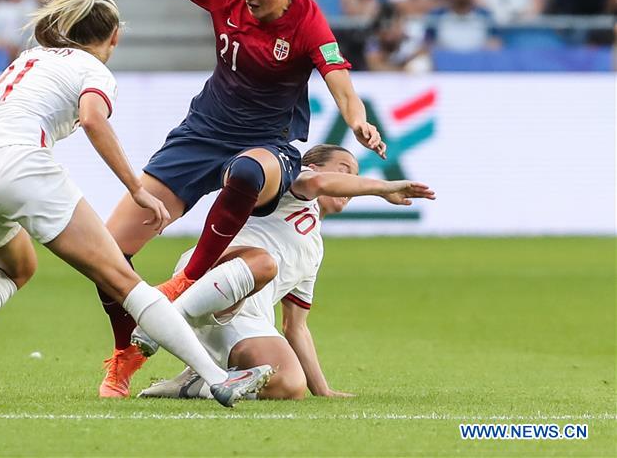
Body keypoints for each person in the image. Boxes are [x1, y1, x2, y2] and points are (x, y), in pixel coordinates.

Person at [63, 0, 386, 398]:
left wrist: (359, 120)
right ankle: (124, 358)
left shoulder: (308, 22)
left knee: (246, 173)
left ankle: (187, 281)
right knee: (110, 252)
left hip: (268, 143)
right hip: (202, 132)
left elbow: (340, 82)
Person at [0, 0, 274, 408]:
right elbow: (92, 119)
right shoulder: (94, 69)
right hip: (18, 165)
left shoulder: (28, 58)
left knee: (17, 268)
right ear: (114, 36)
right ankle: (217, 379)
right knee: (122, 280)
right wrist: (137, 188)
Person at [135, 144, 435, 400]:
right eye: (345, 171)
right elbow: (317, 183)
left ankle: (194, 383)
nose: (352, 183)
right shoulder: (291, 184)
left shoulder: (314, 250)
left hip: (245, 319)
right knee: (264, 263)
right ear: (314, 167)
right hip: (211, 277)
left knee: (290, 385)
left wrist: (323, 390)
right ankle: (162, 320)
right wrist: (383, 188)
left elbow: (296, 327)